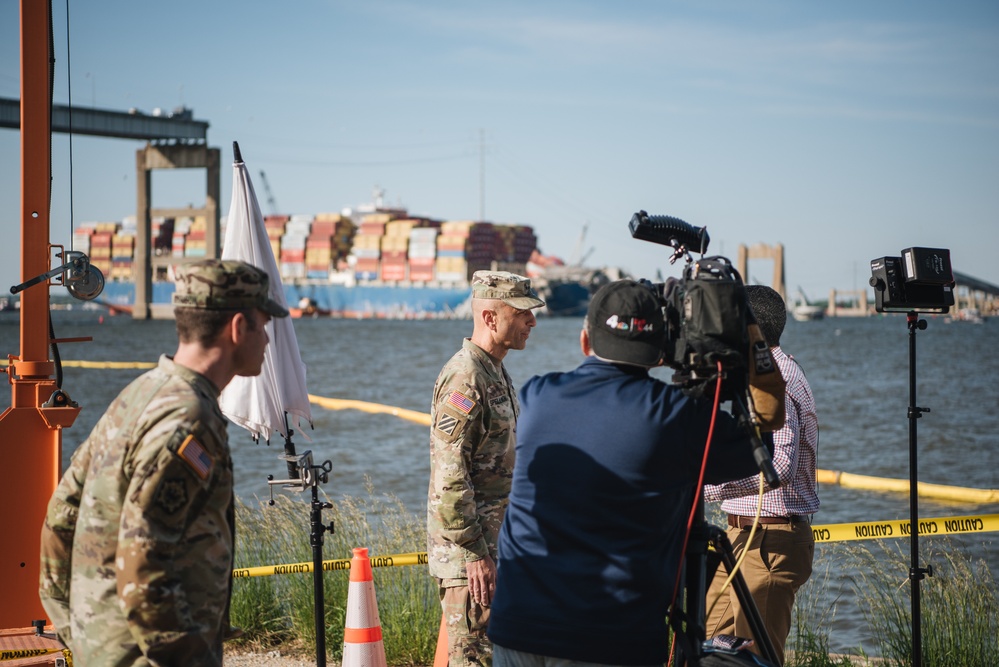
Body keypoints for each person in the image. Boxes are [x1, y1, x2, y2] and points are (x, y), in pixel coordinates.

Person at [487, 279, 775, 666]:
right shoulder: (675, 416)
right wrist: (745, 350)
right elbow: (762, 444)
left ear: (585, 340)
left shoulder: (538, 394)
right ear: (659, 353)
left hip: (516, 627)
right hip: (609, 638)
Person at [39, 259, 289, 667]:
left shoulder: (138, 393)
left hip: (107, 647)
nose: (266, 340)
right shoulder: (190, 417)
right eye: (263, 326)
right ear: (238, 327)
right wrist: (187, 658)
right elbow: (144, 559)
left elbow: (61, 516)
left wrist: (79, 629)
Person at [427, 270, 546, 667]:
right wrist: (475, 554)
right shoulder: (466, 377)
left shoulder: (494, 369)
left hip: (494, 550)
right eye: (522, 313)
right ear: (492, 318)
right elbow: (449, 477)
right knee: (473, 661)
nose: (532, 321)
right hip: (471, 561)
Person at [703, 284, 819, 666]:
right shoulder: (763, 373)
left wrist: (708, 489)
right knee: (706, 643)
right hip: (741, 537)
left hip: (771, 541)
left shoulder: (776, 382)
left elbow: (779, 468)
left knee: (758, 658)